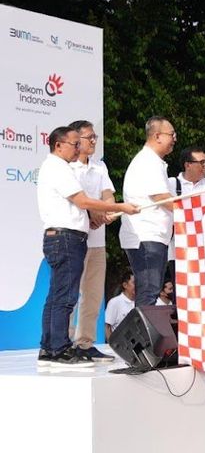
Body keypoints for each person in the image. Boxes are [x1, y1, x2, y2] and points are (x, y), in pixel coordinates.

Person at [37, 126, 137, 369]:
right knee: (65, 296)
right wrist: (121, 207)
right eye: (74, 143)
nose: (78, 148)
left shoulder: (57, 167)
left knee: (58, 295)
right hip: (65, 239)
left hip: (63, 238)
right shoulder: (59, 168)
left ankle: (50, 348)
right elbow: (81, 201)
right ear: (59, 145)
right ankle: (59, 349)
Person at [68, 119, 116, 361]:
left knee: (93, 295)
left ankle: (85, 343)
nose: (94, 140)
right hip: (74, 239)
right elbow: (77, 200)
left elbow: (108, 195)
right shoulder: (66, 168)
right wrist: (94, 213)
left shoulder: (100, 167)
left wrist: (106, 211)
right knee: (69, 295)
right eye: (89, 137)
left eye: (95, 136)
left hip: (97, 241)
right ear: (76, 140)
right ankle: (64, 344)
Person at [121, 117, 177, 307]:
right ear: (157, 136)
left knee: (150, 290)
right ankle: (141, 337)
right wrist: (189, 212)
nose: (175, 138)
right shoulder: (148, 161)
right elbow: (161, 197)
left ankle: (142, 336)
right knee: (148, 291)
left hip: (154, 236)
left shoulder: (154, 161)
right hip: (146, 236)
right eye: (172, 134)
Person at [105, 270, 137, 340]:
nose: (137, 285)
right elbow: (107, 326)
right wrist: (113, 345)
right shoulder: (115, 302)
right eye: (134, 283)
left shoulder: (140, 302)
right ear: (125, 285)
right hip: (121, 345)